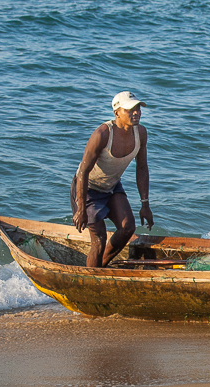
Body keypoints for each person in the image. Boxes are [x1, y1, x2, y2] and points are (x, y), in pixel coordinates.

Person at [71, 91, 154, 267]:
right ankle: (91, 282)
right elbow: (83, 172)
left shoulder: (141, 133)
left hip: (111, 186)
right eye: (130, 109)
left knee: (128, 228)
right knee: (99, 240)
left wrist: (145, 205)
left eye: (138, 108)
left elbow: (142, 167)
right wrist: (81, 209)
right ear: (116, 113)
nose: (136, 113)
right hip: (88, 188)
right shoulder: (102, 134)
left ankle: (99, 268)